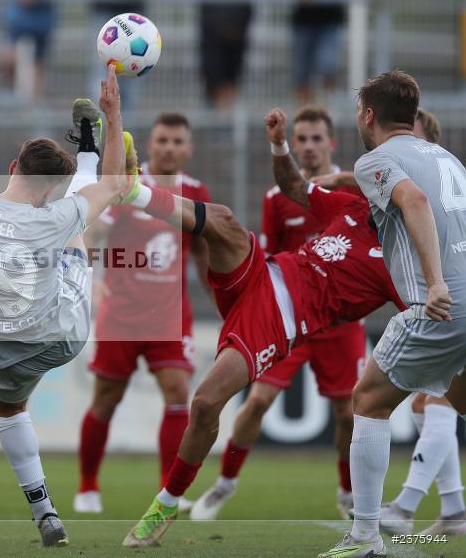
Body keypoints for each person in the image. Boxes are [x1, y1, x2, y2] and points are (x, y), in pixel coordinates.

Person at [119, 106, 405, 547]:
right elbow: (292, 184)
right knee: (223, 219)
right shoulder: (351, 208)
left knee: (205, 403)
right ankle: (132, 190)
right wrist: (279, 142)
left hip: (276, 322)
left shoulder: (398, 267)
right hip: (263, 272)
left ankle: (166, 503)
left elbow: (425, 322)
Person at [0, 66, 128, 547]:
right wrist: (113, 114)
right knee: (78, 231)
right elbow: (114, 185)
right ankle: (89, 147)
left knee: (10, 411)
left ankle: (44, 511)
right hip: (57, 335)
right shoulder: (57, 213)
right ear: (49, 191)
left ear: (14, 167)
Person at [191, 105, 365, 521]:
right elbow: (271, 258)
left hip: (340, 324)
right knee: (257, 402)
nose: (307, 146)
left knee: (349, 413)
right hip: (295, 318)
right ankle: (225, 484)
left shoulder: (353, 189)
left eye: (314, 138)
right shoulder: (278, 196)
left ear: (331, 143)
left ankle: (346, 492)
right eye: (300, 139)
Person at [321, 71, 466, 558]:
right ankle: (448, 509)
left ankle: (365, 537)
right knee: (457, 402)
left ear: (367, 115)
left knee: (368, 399)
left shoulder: (376, 159)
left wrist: (437, 283)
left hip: (443, 306)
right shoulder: (445, 157)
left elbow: (415, 201)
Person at [74, 112, 212, 514]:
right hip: (121, 313)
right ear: (150, 145)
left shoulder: (196, 191)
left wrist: (218, 295)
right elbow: (94, 232)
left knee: (177, 392)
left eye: (177, 141)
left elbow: (204, 250)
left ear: (188, 148)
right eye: (163, 140)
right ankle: (87, 487)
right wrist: (89, 269)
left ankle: (169, 492)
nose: (170, 148)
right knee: (106, 398)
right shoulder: (128, 186)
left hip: (170, 315)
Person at [0, 0, 70, 99]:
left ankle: (32, 110)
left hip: (42, 23)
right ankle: (19, 98)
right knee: (9, 61)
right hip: (15, 22)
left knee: (38, 67)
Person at [84, 0, 156, 110]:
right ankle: (100, 128)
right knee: (100, 77)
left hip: (135, 24)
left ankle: (125, 129)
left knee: (132, 77)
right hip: (104, 20)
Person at [194, 0, 261, 110]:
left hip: (238, 27)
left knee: (231, 81)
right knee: (212, 80)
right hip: (211, 27)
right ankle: (215, 121)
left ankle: (226, 124)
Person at [287, 0, 351, 104]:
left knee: (328, 67)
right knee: (301, 74)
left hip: (330, 22)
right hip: (303, 22)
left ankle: (327, 108)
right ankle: (305, 112)